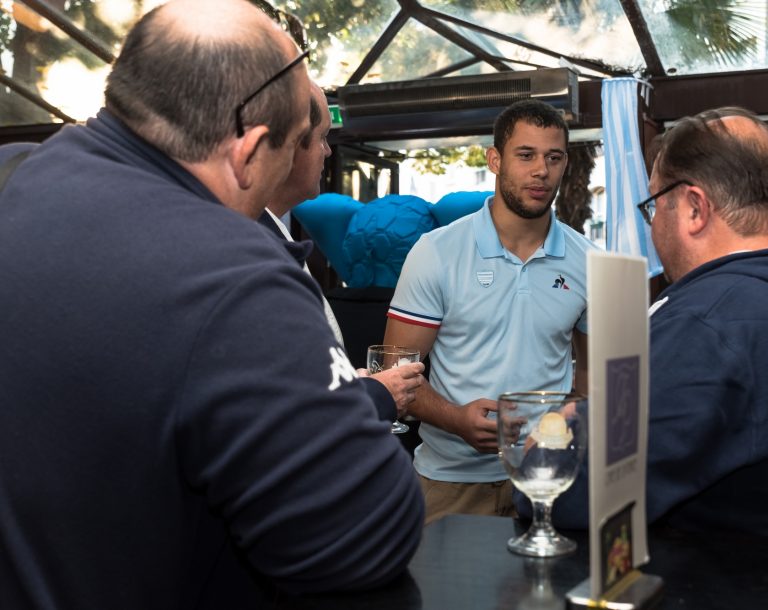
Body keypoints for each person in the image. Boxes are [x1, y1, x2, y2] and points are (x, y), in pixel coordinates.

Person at [0, 2, 423, 609]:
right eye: (289, 151)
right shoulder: (234, 276)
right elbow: (367, 535)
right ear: (248, 152)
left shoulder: (12, 175)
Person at [524, 106, 768, 539]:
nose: (652, 228)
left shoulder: (707, 324)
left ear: (693, 208)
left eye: (654, 206)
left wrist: (560, 430)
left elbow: (566, 492)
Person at [384, 99, 598, 522]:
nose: (541, 170)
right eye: (526, 155)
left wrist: (566, 427)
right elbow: (392, 372)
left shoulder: (589, 259)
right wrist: (456, 419)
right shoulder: (437, 252)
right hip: (450, 483)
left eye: (553, 158)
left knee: (544, 590)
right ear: (495, 160)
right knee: (443, 591)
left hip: (548, 481)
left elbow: (592, 374)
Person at [258, 81, 425, 422]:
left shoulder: (273, 236)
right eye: (321, 138)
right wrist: (373, 395)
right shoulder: (257, 249)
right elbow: (280, 399)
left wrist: (352, 385)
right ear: (291, 144)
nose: (329, 152)